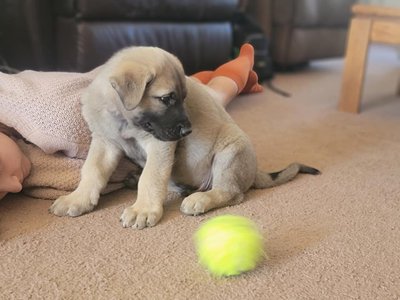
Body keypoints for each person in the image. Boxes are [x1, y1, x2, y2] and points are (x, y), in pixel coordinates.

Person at [0, 43, 263, 200]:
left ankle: (243, 61)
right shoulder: (28, 168)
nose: (15, 185)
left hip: (128, 91)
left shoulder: (31, 106)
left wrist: (149, 197)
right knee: (201, 90)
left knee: (212, 91)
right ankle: (236, 75)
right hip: (136, 100)